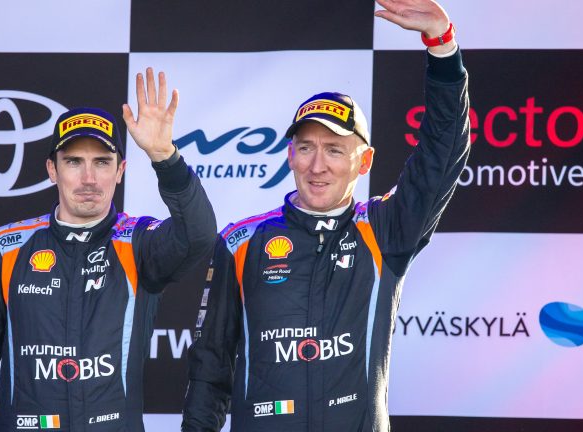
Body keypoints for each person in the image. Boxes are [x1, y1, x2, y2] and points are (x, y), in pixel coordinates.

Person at [182, 0, 470, 431]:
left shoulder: (385, 229)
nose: (317, 166)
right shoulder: (242, 242)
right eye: (306, 148)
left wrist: (443, 49)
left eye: (334, 150)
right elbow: (210, 367)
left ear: (364, 161)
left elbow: (441, 155)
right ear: (290, 155)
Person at [0, 68, 217, 431]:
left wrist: (165, 159)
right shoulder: (8, 246)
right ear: (52, 169)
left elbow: (199, 236)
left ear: (120, 171)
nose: (89, 178)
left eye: (102, 162)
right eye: (74, 162)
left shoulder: (138, 242)